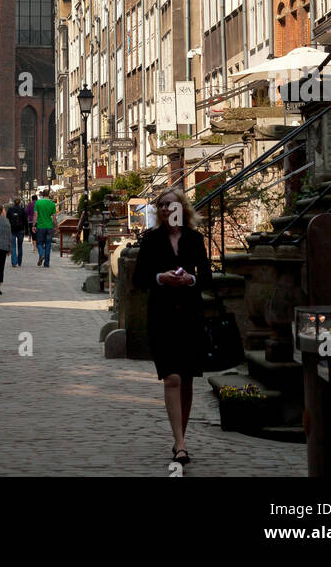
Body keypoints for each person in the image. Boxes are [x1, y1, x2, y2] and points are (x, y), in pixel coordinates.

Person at [131, 188, 213, 466]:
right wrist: (160, 277)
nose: (166, 209)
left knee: (187, 379)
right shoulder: (151, 240)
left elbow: (207, 278)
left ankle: (181, 436)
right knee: (172, 378)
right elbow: (140, 279)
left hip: (190, 314)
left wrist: (190, 279)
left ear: (182, 208)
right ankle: (180, 443)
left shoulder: (195, 239)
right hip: (162, 314)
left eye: (171, 204)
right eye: (162, 205)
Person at [34, 188, 57, 268]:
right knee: (48, 244)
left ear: (42, 194)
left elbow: (35, 215)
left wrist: (33, 225)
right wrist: (55, 227)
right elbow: (54, 217)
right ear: (49, 195)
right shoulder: (52, 204)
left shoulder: (38, 203)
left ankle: (41, 254)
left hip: (40, 226)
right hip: (49, 226)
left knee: (39, 243)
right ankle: (46, 263)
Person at [6, 197, 27, 267]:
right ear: (20, 202)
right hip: (21, 230)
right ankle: (19, 261)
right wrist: (26, 230)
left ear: (13, 202)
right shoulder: (22, 210)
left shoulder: (10, 210)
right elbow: (25, 221)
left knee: (13, 246)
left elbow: (7, 219)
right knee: (20, 246)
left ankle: (14, 262)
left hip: (12, 230)